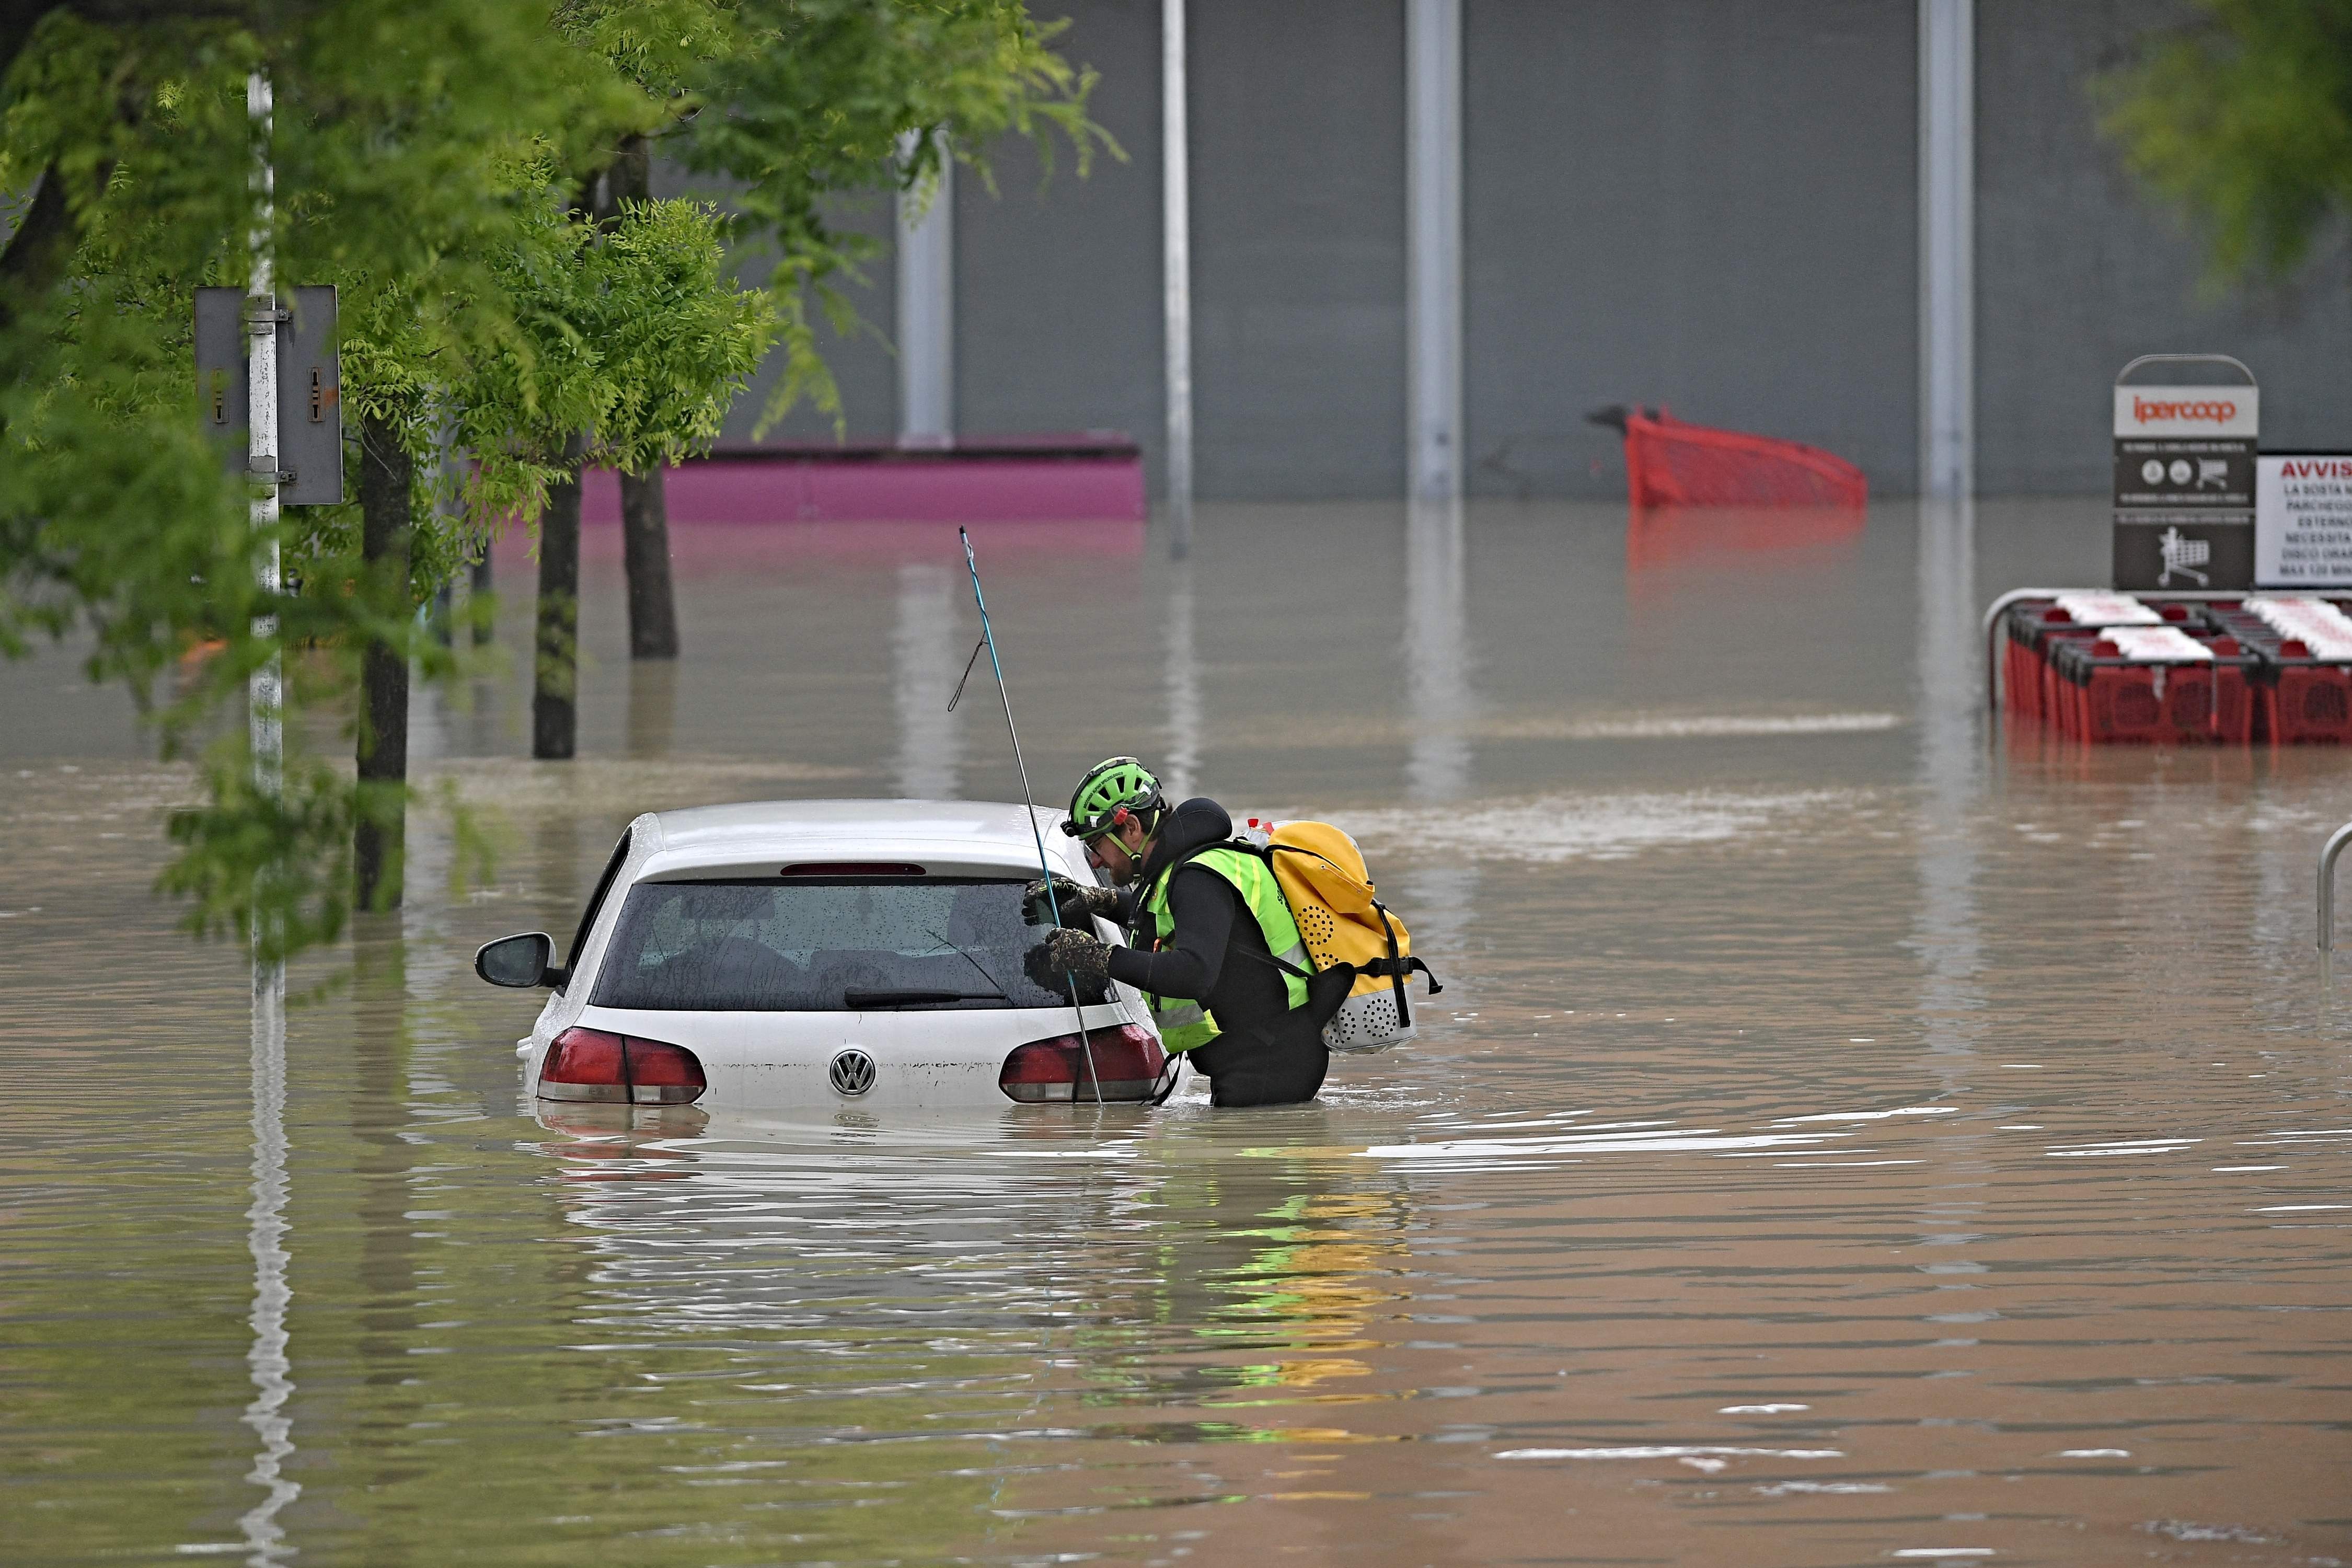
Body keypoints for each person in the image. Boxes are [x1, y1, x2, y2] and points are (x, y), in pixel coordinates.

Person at [1021, 757, 1328, 1108]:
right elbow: (1164, 919)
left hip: (1269, 1065)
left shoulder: (1198, 878)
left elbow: (1194, 973)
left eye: (1096, 845)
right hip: (1264, 1056)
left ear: (1132, 827)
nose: (1096, 861)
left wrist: (1099, 956)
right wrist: (1096, 900)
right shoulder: (1184, 871)